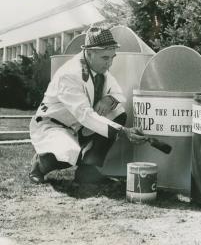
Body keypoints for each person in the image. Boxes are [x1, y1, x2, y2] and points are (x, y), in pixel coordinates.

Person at [29, 24, 146, 184]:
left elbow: (118, 93)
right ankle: (39, 165)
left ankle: (88, 169)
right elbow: (84, 115)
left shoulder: (97, 67)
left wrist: (109, 99)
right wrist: (124, 131)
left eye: (112, 57)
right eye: (105, 58)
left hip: (78, 126)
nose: (109, 63)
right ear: (89, 53)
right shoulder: (69, 74)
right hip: (53, 126)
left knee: (118, 113)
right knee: (68, 154)